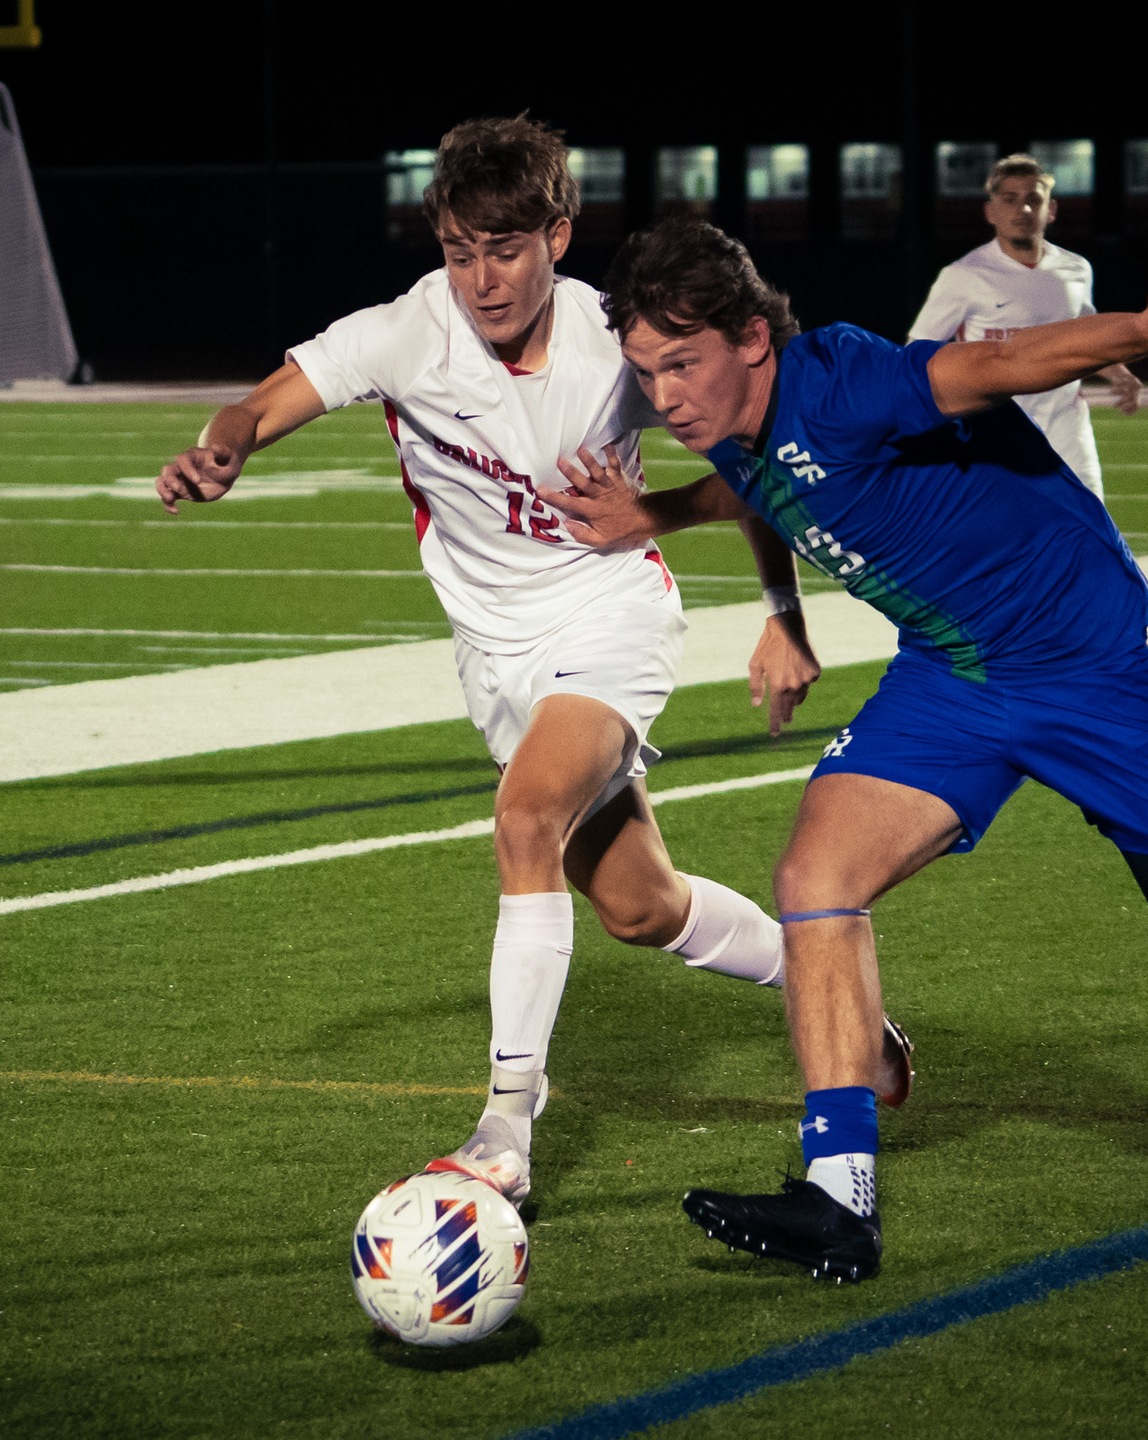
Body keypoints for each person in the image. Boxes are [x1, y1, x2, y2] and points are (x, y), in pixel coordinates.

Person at [537, 217, 1148, 1282]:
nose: (667, 396)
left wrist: (1146, 328)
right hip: (954, 675)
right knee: (812, 877)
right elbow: (759, 481)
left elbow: (1000, 363)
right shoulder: (733, 419)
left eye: (681, 364)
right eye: (647, 372)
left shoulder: (846, 379)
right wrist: (680, 534)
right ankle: (840, 1200)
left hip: (1090, 663)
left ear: (751, 337)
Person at [153, 118, 912, 1203]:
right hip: (494, 657)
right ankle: (841, 1005)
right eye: (460, 249)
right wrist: (222, 448)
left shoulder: (621, 345)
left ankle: (505, 1126)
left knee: (522, 821)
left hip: (608, 619)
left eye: (503, 248)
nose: (479, 277)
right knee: (639, 907)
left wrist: (779, 612)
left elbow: (749, 470)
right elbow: (265, 398)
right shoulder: (408, 331)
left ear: (557, 236)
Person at [908, 154, 1137, 498]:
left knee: (1091, 526)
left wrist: (1117, 371)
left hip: (1065, 425)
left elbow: (1084, 334)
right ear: (990, 211)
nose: (1024, 210)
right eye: (1010, 200)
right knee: (998, 540)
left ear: (1052, 209)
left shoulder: (1076, 270)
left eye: (1034, 199)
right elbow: (918, 351)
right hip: (992, 434)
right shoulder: (963, 276)